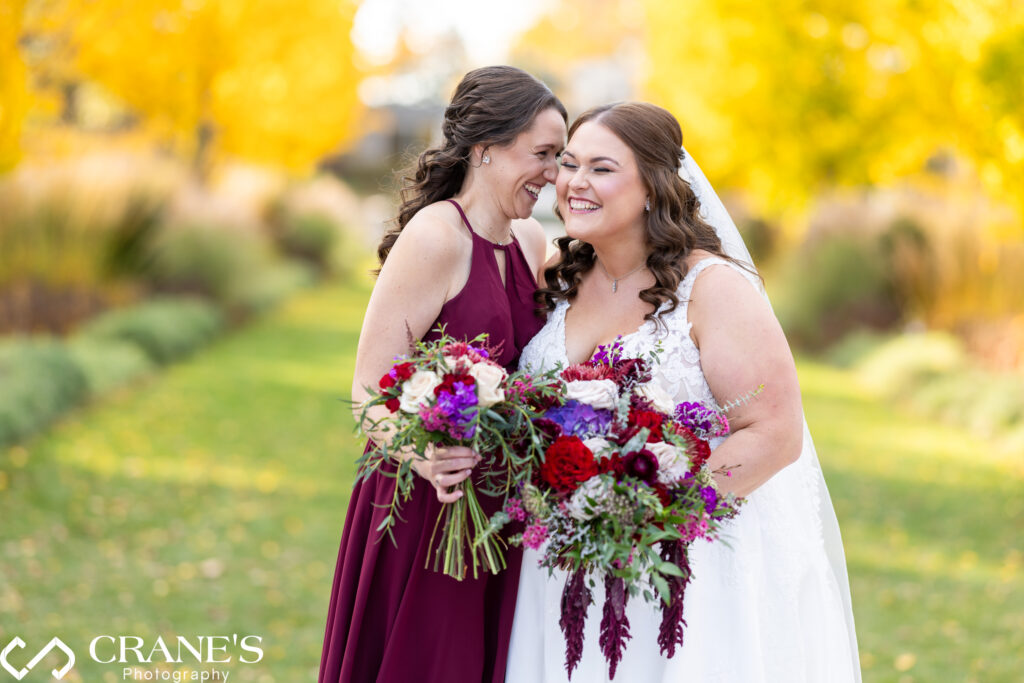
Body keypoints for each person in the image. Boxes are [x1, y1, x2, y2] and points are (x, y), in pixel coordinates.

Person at [506, 102, 861, 682]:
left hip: (683, 563)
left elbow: (775, 433)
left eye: (601, 168)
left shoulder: (712, 287)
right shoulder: (558, 280)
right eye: (568, 164)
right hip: (565, 557)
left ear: (652, 187)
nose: (574, 182)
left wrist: (655, 522)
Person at [318, 66, 567, 683]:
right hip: (426, 509)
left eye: (560, 156)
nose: (555, 174)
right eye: (542, 154)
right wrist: (424, 457)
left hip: (499, 515)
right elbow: (367, 390)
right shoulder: (437, 237)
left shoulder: (532, 241)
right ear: (485, 149)